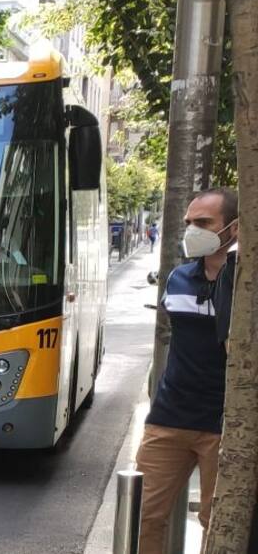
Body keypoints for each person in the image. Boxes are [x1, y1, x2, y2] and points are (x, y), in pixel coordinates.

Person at [135, 187, 237, 553]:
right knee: (143, 515)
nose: (193, 230)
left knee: (221, 522)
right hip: (169, 418)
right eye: (190, 223)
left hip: (228, 424)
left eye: (204, 222)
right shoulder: (178, 278)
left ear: (236, 229)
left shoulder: (247, 285)